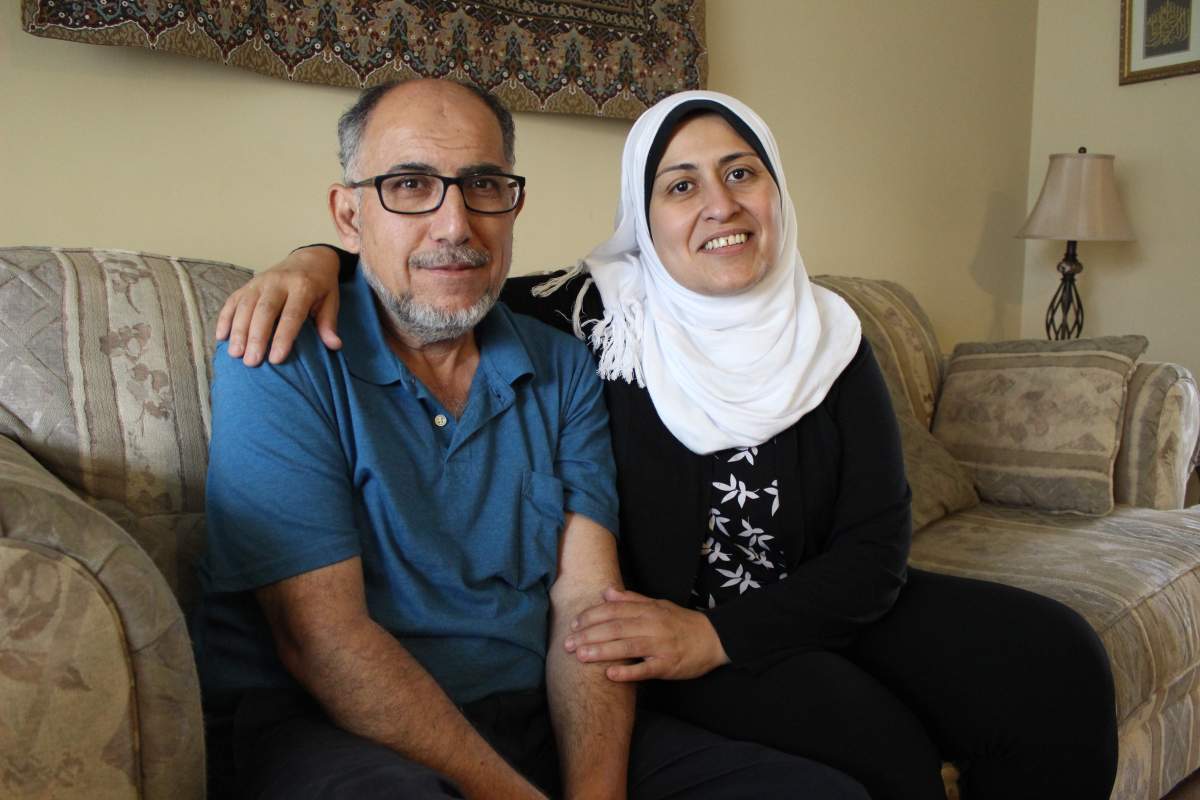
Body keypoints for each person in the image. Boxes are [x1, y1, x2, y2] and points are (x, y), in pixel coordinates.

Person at [218, 88, 1120, 800]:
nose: (719, 205)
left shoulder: (833, 334)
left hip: (799, 609)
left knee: (1053, 654)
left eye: (742, 173)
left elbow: (876, 551)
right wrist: (314, 261)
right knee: (879, 751)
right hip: (670, 638)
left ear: (777, 191)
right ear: (642, 216)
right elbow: (439, 275)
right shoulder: (590, 319)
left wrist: (719, 635)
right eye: (681, 184)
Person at [194, 79, 868, 800]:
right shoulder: (279, 352)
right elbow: (321, 642)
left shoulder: (564, 364)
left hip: (533, 716)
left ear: (512, 204)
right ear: (349, 216)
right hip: (332, 729)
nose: (455, 224)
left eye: (483, 184)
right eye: (410, 185)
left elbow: (587, 608)